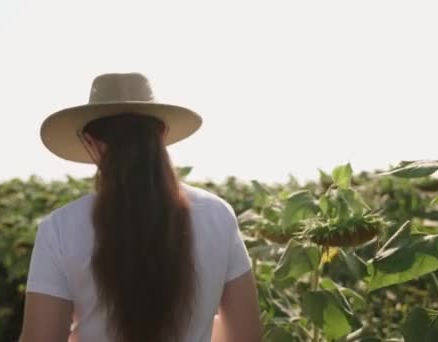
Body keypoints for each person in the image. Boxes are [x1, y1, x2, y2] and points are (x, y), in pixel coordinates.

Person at [19, 73, 262, 342]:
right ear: (163, 135)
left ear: (91, 143)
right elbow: (246, 335)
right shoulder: (218, 215)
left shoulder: (59, 229)